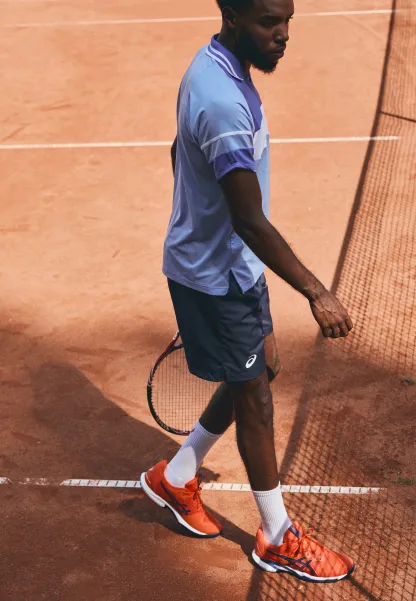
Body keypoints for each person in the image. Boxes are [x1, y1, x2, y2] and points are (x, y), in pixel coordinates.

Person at [141, 0, 355, 583]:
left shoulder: (214, 65)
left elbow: (178, 151)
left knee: (264, 368)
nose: (283, 35)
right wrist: (316, 292)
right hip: (217, 277)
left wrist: (196, 215)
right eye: (269, 23)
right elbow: (249, 221)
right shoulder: (222, 101)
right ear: (232, 15)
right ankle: (277, 537)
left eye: (288, 21)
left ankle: (176, 476)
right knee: (254, 396)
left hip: (232, 266)